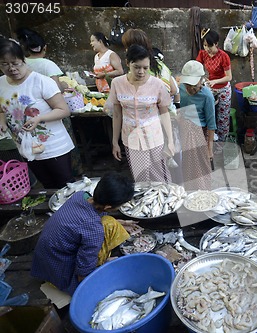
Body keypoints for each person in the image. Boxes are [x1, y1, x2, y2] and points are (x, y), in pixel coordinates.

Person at [31, 172, 134, 295]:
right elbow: (83, 273)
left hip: (44, 259)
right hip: (58, 268)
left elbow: (90, 217)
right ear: (108, 207)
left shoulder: (80, 196)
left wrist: (119, 222)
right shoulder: (94, 231)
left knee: (110, 222)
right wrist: (92, 285)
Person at [0, 38, 75, 189]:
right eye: (4, 64)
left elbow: (63, 110)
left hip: (53, 147)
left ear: (23, 60)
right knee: (47, 185)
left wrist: (39, 118)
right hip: (25, 146)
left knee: (66, 185)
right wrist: (2, 121)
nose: (11, 68)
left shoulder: (41, 81)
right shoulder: (1, 83)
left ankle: (73, 212)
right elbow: (2, 108)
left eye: (15, 63)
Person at [16, 27, 84, 176]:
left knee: (38, 155)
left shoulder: (23, 64)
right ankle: (74, 171)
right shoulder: (48, 64)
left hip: (28, 119)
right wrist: (65, 85)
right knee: (63, 151)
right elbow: (56, 88)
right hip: (52, 112)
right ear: (44, 48)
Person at [109, 44, 175, 182]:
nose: (141, 72)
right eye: (136, 67)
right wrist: (115, 141)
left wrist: (170, 141)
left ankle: (165, 200)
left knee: (160, 176)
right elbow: (116, 114)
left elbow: (164, 113)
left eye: (145, 68)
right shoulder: (117, 83)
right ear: (128, 63)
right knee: (141, 177)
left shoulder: (157, 84)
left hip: (154, 137)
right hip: (130, 138)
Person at [178, 60, 216, 190]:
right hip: (183, 130)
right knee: (187, 164)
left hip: (200, 133)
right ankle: (189, 190)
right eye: (187, 84)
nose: (190, 88)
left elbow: (211, 125)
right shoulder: (180, 89)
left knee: (201, 166)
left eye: (194, 85)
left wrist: (210, 148)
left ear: (201, 80)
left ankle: (202, 192)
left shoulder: (207, 96)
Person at [196, 29, 232, 151]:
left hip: (223, 89)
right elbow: (197, 68)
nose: (207, 48)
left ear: (216, 44)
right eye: (205, 45)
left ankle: (221, 144)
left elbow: (229, 77)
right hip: (210, 88)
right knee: (208, 115)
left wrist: (215, 81)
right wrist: (201, 78)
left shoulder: (223, 56)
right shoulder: (202, 54)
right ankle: (209, 141)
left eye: (209, 45)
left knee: (223, 117)